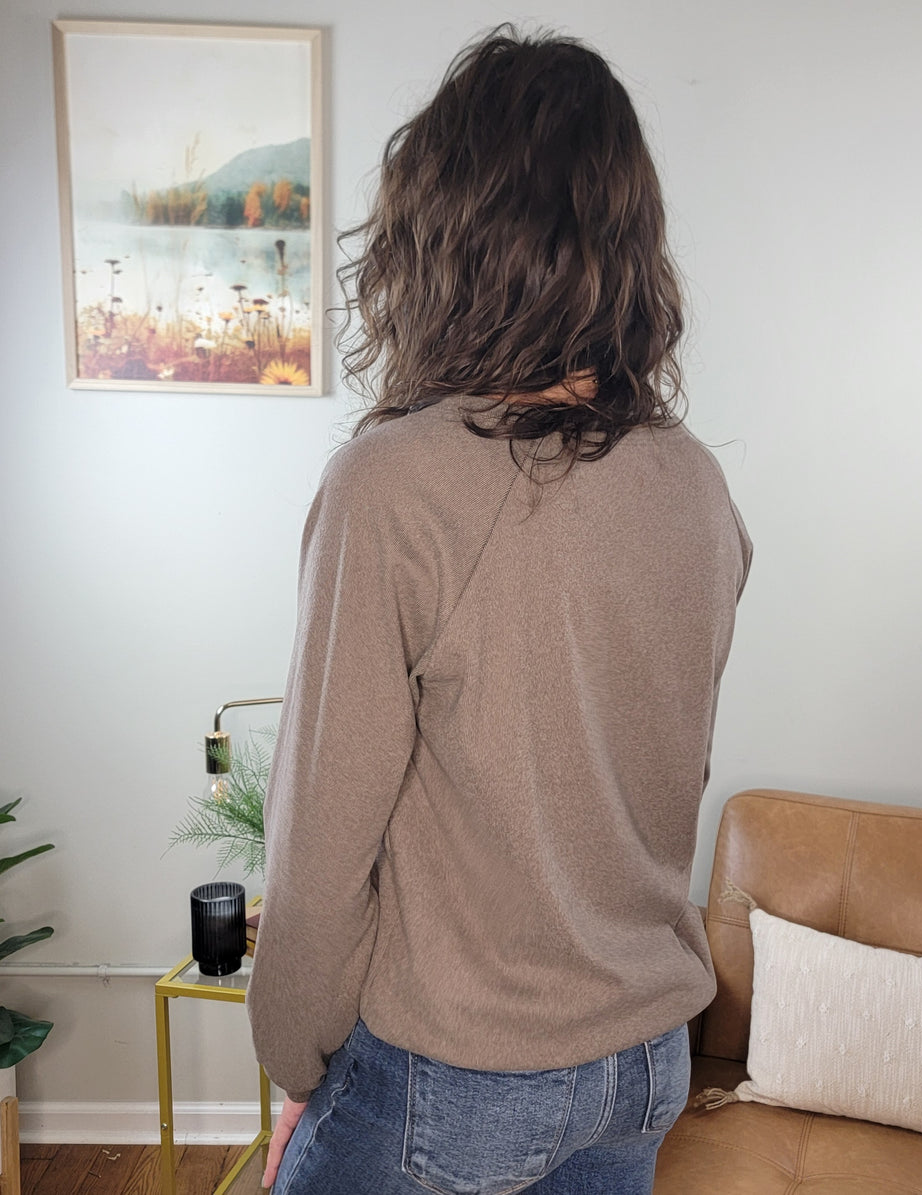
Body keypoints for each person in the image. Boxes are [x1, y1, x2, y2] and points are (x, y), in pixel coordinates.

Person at [246, 24, 751, 1195]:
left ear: (443, 230)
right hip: (643, 1062)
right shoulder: (695, 484)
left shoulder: (392, 484)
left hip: (456, 1077)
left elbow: (322, 846)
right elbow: (653, 780)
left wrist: (297, 1065)